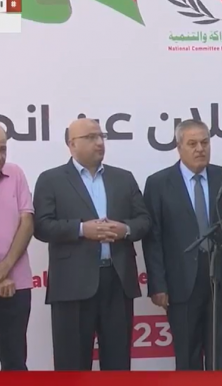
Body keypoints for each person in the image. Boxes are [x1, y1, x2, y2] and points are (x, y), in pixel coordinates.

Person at [33, 118, 151, 370]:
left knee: (118, 365)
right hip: (72, 285)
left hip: (117, 281)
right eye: (90, 137)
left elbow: (144, 221)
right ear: (71, 144)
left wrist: (125, 229)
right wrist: (81, 229)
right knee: (72, 366)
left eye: (101, 136)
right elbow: (41, 226)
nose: (99, 142)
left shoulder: (123, 178)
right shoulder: (51, 179)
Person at [142, 119, 222, 370]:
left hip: (220, 278)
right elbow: (153, 238)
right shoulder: (158, 183)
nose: (200, 149)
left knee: (219, 353)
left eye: (205, 143)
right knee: (187, 356)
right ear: (179, 147)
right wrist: (158, 284)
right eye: (192, 144)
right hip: (180, 282)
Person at [0, 123, 34, 370]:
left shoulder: (15, 173)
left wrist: (4, 268)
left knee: (15, 360)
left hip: (16, 283)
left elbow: (27, 221)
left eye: (3, 149)